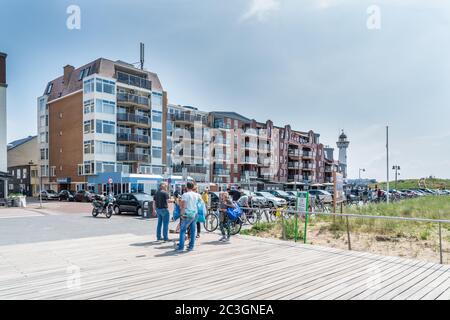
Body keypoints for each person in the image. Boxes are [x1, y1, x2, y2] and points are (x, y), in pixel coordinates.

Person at [176, 182, 202, 252]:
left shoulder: (185, 195)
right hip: (195, 213)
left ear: (186, 187)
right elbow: (200, 204)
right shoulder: (197, 195)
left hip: (187, 214)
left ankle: (181, 247)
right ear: (193, 187)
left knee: (182, 230)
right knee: (193, 231)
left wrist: (181, 214)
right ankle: (191, 247)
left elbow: (183, 206)